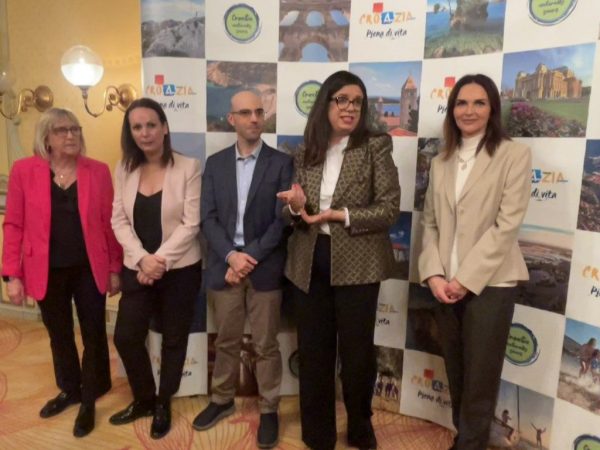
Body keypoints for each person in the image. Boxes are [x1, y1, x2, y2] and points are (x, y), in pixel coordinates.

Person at [277, 70, 401, 450]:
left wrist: (340, 215)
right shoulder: (307, 150)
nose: (350, 108)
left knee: (357, 354)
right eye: (342, 100)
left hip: (359, 265)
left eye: (357, 102)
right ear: (326, 104)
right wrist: (296, 207)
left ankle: (360, 426)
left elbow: (389, 209)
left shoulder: (375, 146)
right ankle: (318, 433)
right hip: (308, 263)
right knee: (314, 352)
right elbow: (293, 213)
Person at [418, 74, 532, 450]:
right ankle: (464, 439)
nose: (469, 110)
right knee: (457, 371)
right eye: (461, 103)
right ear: (452, 109)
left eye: (479, 102)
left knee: (480, 378)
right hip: (444, 286)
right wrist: (434, 275)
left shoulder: (513, 155)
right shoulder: (441, 161)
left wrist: (465, 279)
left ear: (492, 108)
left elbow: (506, 226)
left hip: (491, 284)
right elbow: (430, 223)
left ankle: (469, 445)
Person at [1, 108, 122, 437]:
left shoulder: (97, 171)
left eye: (75, 129)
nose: (71, 136)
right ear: (46, 138)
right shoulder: (24, 171)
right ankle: (69, 389)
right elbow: (13, 225)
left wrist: (115, 268)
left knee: (94, 334)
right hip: (46, 270)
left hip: (89, 268)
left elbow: (109, 224)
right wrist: (12, 275)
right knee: (59, 334)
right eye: (62, 130)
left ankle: (89, 399)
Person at [192, 90, 292, 449]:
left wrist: (247, 257)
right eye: (246, 113)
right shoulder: (215, 164)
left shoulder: (282, 163)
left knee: (266, 345)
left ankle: (269, 409)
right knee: (226, 340)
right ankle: (221, 400)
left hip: (263, 268)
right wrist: (231, 257)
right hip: (224, 267)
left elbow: (282, 222)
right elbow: (208, 218)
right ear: (231, 119)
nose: (254, 118)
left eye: (259, 112)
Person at [109, 98, 202, 440]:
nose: (145, 132)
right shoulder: (124, 168)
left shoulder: (188, 166)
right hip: (137, 268)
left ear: (164, 127)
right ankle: (145, 398)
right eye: (137, 127)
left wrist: (158, 261)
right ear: (130, 132)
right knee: (125, 336)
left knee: (173, 339)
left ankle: (163, 402)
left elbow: (191, 223)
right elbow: (118, 219)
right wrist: (142, 260)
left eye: (151, 124)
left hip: (181, 270)